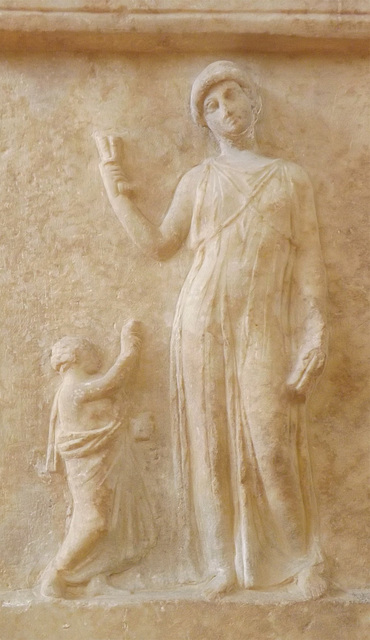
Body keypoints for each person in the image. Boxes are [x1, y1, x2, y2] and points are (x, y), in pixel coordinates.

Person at [95, 61, 328, 599]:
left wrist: (316, 334)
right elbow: (158, 245)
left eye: (231, 97)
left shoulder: (289, 177)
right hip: (201, 320)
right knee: (212, 448)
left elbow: (312, 264)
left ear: (252, 102)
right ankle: (220, 563)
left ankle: (302, 558)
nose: (225, 110)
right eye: (211, 106)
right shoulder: (199, 180)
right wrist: (116, 192)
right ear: (205, 120)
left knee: (271, 443)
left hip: (263, 323)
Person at [41, 320, 156, 598]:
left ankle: (94, 578)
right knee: (94, 521)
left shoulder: (80, 388)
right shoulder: (74, 389)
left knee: (107, 522)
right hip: (88, 466)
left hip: (102, 463)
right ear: (76, 357)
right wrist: (129, 347)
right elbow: (114, 381)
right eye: (92, 352)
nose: (98, 357)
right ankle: (56, 573)